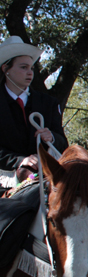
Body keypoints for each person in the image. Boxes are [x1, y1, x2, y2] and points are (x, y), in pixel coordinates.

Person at [0, 36, 68, 191]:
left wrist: (51, 137)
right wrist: (20, 161)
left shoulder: (48, 102)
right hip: (5, 176)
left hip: (45, 174)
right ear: (6, 69)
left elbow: (63, 143)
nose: (30, 73)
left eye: (31, 68)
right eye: (23, 67)